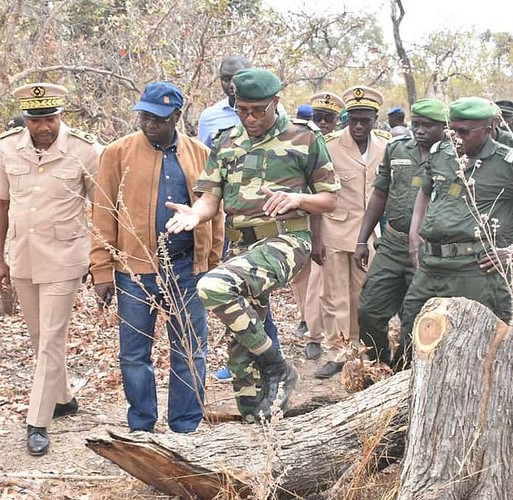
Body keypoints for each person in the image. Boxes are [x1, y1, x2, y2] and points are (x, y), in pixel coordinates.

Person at [165, 67, 339, 422]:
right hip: (241, 247)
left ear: (276, 102)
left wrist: (296, 199)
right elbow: (209, 198)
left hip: (287, 238)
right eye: (243, 109)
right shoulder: (226, 140)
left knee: (213, 286)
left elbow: (330, 199)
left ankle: (279, 367)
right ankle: (256, 422)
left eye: (258, 110)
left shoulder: (304, 137)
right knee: (240, 348)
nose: (250, 117)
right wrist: (195, 216)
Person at [393, 97, 513, 369]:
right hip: (431, 266)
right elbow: (425, 190)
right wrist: (415, 233)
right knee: (412, 337)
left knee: (477, 348)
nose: (457, 138)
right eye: (452, 130)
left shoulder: (510, 163)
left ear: (489, 128)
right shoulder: (442, 153)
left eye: (465, 132)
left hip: (475, 270)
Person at [90, 82, 222, 434]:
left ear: (177, 116)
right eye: (145, 116)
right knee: (134, 354)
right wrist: (101, 269)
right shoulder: (117, 153)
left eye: (159, 118)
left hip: (186, 268)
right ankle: (141, 428)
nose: (150, 124)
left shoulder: (200, 154)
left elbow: (214, 211)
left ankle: (186, 426)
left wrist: (211, 263)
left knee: (191, 350)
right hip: (135, 270)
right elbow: (103, 212)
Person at [0, 83, 102, 455]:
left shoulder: (85, 150)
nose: (43, 127)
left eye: (50, 119)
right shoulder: (7, 147)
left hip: (66, 257)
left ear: (61, 117)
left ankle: (37, 421)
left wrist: (100, 260)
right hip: (23, 256)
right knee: (40, 338)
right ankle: (63, 398)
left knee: (52, 337)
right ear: (26, 119)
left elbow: (104, 209)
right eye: (36, 120)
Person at [197, 56, 281, 383]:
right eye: (224, 79)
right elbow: (208, 164)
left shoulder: (273, 115)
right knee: (236, 295)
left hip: (268, 221)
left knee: (258, 294)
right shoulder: (210, 118)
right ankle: (251, 363)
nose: (230, 86)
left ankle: (270, 360)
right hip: (227, 219)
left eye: (236, 79)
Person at [354, 99, 447, 366]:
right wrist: (362, 240)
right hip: (393, 244)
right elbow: (380, 194)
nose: (420, 131)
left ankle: (403, 372)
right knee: (369, 310)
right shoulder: (396, 149)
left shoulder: (454, 157)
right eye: (416, 124)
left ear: (444, 127)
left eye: (427, 126)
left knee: (415, 319)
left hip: (430, 252)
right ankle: (377, 363)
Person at [307, 86, 390, 379]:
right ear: (345, 118)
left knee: (363, 295)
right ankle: (339, 352)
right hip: (334, 231)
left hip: (369, 235)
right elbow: (315, 193)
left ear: (375, 120)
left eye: (365, 120)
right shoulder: (328, 146)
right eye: (353, 119)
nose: (358, 126)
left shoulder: (385, 147)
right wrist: (316, 239)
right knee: (334, 295)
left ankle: (360, 349)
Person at [289, 91, 344, 343]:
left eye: (328, 119)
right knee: (305, 278)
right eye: (318, 117)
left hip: (334, 222)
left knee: (330, 282)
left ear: (336, 121)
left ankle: (329, 332)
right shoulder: (298, 141)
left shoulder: (338, 145)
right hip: (300, 220)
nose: (322, 123)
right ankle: (308, 324)